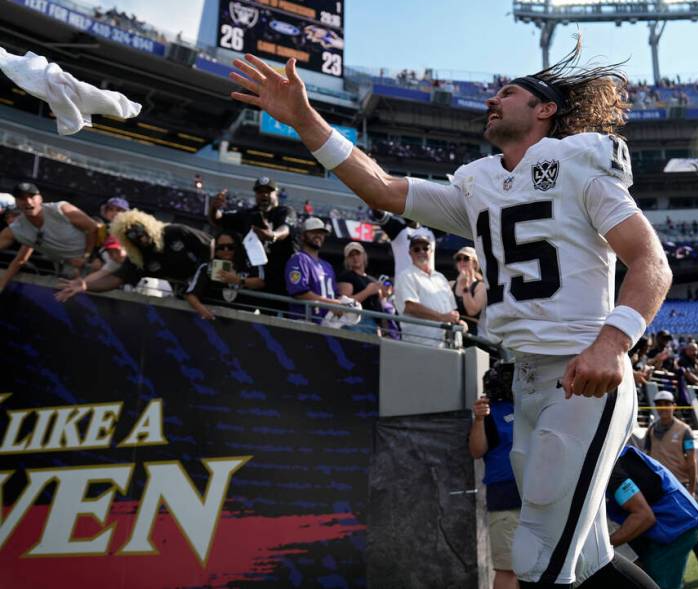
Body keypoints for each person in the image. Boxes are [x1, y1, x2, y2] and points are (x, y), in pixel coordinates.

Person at [229, 42, 672, 587]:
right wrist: (304, 118)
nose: (492, 97)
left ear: (545, 109)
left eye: (508, 91)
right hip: (528, 380)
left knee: (535, 555)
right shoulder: (478, 184)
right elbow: (383, 188)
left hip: (583, 376)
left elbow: (651, 260)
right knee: (585, 566)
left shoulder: (580, 164)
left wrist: (612, 342)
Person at [54, 209, 213, 300]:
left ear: (147, 224)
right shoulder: (139, 258)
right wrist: (86, 285)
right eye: (131, 234)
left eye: (138, 229)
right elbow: (116, 279)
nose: (139, 236)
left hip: (212, 279)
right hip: (187, 294)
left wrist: (203, 275)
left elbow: (211, 246)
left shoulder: (175, 232)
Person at [605, 445, 698, 589]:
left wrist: (607, 544)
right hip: (674, 523)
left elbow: (644, 517)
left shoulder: (613, 468)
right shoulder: (615, 455)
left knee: (657, 581)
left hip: (677, 525)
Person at [645, 391, 698, 584]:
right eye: (659, 403)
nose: (663, 407)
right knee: (666, 534)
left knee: (692, 530)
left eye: (666, 403)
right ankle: (675, 576)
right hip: (659, 490)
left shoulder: (684, 429)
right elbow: (646, 458)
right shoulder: (651, 430)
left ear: (674, 406)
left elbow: (692, 461)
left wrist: (691, 489)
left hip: (681, 487)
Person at [469, 364, 521, 589]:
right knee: (508, 568)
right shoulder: (491, 412)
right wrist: (479, 420)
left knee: (540, 565)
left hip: (538, 496)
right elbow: (476, 451)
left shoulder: (529, 407)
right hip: (506, 498)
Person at [0, 182, 99, 291]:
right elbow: (20, 259)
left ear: (40, 198)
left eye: (32, 197)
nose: (28, 201)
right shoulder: (16, 230)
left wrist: (86, 257)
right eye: (22, 198)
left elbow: (93, 228)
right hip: (71, 274)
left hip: (100, 258)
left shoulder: (61, 209)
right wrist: (1, 285)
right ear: (16, 202)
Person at [209, 177, 297, 296]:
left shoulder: (285, 211)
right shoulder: (248, 215)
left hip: (281, 282)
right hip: (255, 282)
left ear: (276, 194)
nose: (264, 194)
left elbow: (285, 230)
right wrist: (214, 208)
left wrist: (273, 236)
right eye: (260, 192)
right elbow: (219, 220)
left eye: (268, 191)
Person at [393, 233, 465, 346]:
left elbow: (451, 312)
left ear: (431, 252)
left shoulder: (440, 277)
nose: (421, 252)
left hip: (446, 345)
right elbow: (411, 307)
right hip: (420, 344)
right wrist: (442, 317)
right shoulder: (406, 276)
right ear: (410, 253)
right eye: (417, 249)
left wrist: (458, 321)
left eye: (425, 248)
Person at [184, 230, 266, 320]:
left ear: (237, 247)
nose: (226, 250)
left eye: (230, 247)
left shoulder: (249, 263)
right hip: (214, 320)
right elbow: (191, 294)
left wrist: (237, 280)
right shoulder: (207, 268)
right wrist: (202, 310)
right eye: (221, 247)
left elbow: (260, 282)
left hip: (245, 320)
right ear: (215, 249)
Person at [284, 217, 346, 319]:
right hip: (305, 322)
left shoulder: (327, 266)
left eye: (321, 233)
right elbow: (299, 293)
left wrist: (345, 302)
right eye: (313, 232)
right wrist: (331, 303)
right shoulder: (299, 259)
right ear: (303, 236)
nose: (318, 235)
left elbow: (334, 295)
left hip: (327, 323)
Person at [452, 245, 487, 335]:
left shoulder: (481, 286)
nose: (462, 262)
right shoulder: (451, 284)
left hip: (472, 333)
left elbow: (472, 311)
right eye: (458, 259)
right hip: (452, 329)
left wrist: (464, 287)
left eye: (466, 258)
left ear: (475, 263)